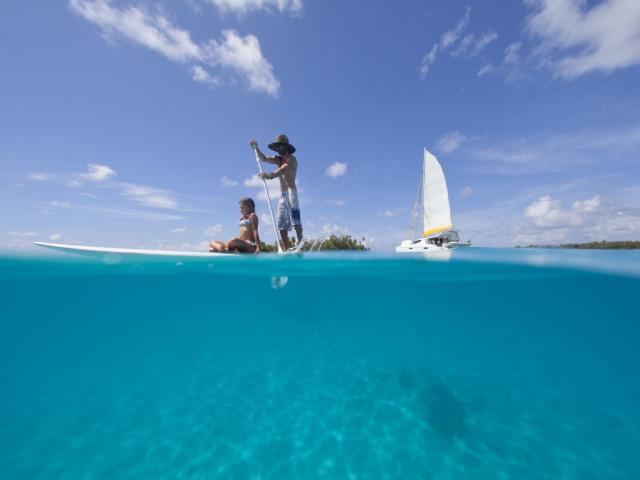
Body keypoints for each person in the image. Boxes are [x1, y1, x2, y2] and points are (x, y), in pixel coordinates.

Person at [250, 134, 302, 250]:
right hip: (283, 195)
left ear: (286, 147)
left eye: (280, 146)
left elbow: (283, 169)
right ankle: (285, 250)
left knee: (296, 221)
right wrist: (255, 148)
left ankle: (300, 246)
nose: (278, 148)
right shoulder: (277, 159)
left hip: (291, 193)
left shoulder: (292, 159)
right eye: (277, 146)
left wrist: (270, 176)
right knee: (281, 224)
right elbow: (263, 158)